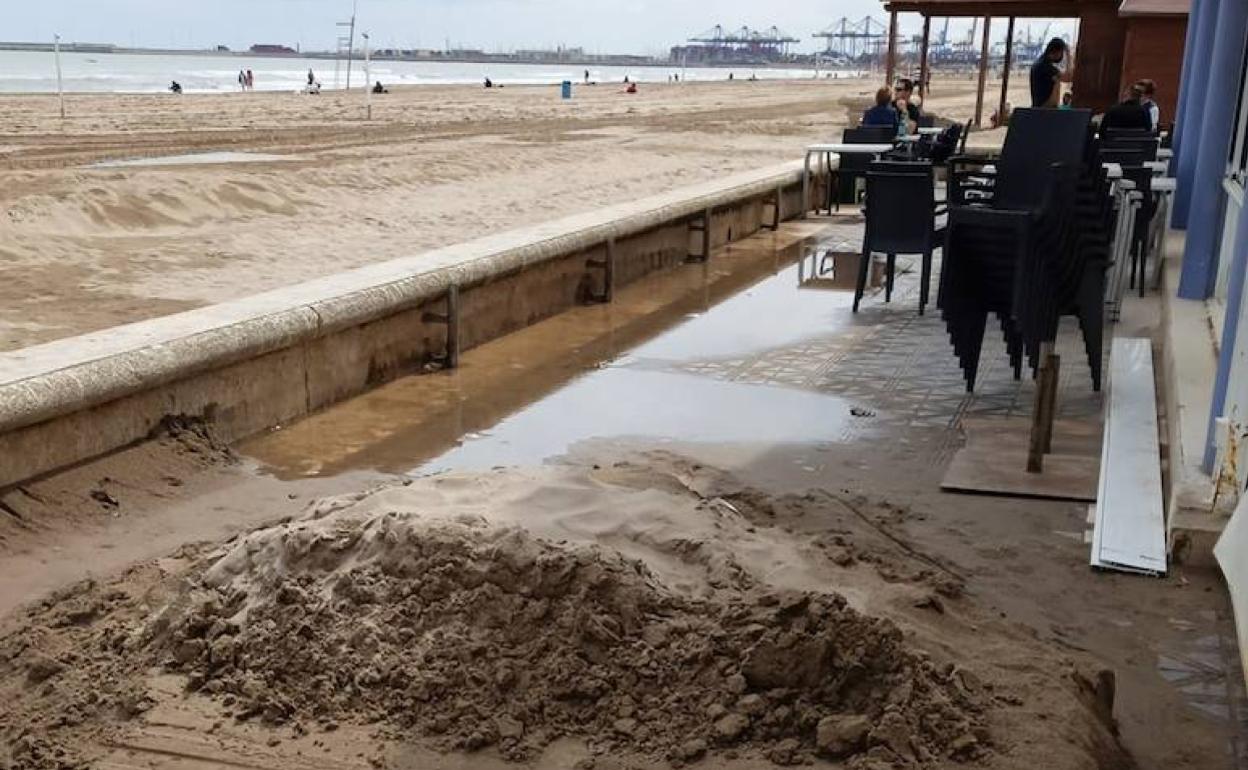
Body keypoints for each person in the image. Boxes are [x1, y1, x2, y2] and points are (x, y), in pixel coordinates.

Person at [1029, 38, 1067, 108]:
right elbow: (1068, 78)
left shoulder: (1040, 63)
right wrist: (1069, 56)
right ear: (1057, 52)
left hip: (1038, 108)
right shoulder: (1045, 67)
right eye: (1062, 53)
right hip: (1045, 110)